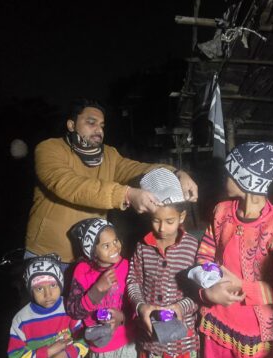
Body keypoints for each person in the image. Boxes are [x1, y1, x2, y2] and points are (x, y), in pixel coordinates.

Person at [24, 99, 198, 270]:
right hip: (49, 253)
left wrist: (176, 172)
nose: (99, 130)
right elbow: (69, 184)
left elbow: (137, 169)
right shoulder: (49, 149)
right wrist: (126, 194)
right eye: (91, 123)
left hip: (93, 254)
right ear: (71, 125)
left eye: (102, 125)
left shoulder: (108, 155)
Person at [196, 142, 273, 358]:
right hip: (216, 319)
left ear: (246, 179)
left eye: (229, 172)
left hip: (255, 334)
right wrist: (208, 290)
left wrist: (242, 286)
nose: (224, 177)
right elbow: (205, 253)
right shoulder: (221, 211)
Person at [126, 168, 200, 358]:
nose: (162, 228)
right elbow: (133, 280)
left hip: (182, 342)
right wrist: (141, 306)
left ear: (182, 216)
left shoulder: (192, 247)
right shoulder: (142, 247)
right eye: (155, 220)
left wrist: (180, 308)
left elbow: (200, 291)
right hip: (150, 339)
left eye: (169, 221)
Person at [65, 218, 137, 358]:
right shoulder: (82, 271)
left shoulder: (126, 266)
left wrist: (122, 318)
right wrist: (97, 290)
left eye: (115, 241)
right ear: (92, 251)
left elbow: (136, 302)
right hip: (101, 346)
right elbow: (74, 311)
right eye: (106, 245)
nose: (115, 247)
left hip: (127, 342)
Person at [8, 255, 88, 358]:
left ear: (61, 284)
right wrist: (49, 351)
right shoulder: (21, 320)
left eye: (53, 285)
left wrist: (65, 355)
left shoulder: (69, 308)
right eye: (39, 288)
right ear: (30, 290)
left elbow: (84, 340)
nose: (48, 294)